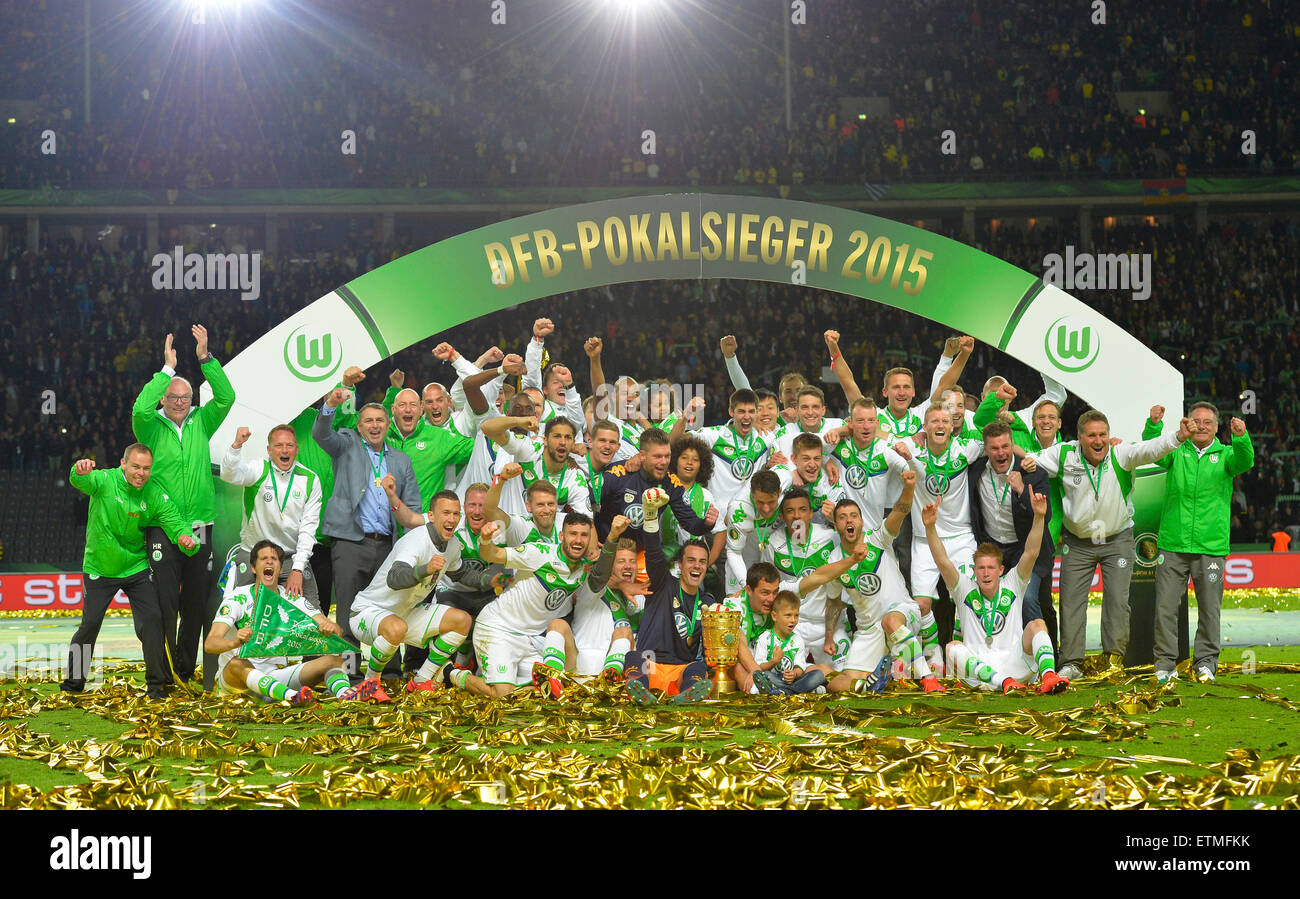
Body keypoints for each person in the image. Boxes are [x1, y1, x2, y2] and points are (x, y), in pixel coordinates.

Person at [1023, 408, 1190, 680]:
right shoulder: (1065, 453)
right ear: (1079, 438)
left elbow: (1150, 450)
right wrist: (1027, 462)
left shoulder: (1120, 453)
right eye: (1091, 436)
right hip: (1077, 543)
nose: (1098, 441)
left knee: (1117, 601)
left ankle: (1113, 659)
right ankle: (1072, 663)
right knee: (1071, 602)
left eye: (1102, 434)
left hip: (1118, 540)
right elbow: (1032, 459)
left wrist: (1178, 437)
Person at [131, 325, 235, 690]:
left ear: (192, 400)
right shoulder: (149, 426)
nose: (178, 402)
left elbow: (226, 396)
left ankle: (184, 673)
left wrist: (205, 357)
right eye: (173, 396)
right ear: (164, 398)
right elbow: (141, 405)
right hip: (162, 525)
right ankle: (159, 678)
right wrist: (167, 370)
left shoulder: (202, 422)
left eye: (185, 397)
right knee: (162, 607)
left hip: (201, 525)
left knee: (194, 606)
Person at [62, 446, 198, 699]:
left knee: (152, 621)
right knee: (90, 624)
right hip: (100, 567)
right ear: (123, 463)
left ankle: (156, 686)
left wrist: (186, 538)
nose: (141, 473)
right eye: (136, 467)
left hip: (136, 567)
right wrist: (78, 470)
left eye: (146, 468)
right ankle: (73, 684)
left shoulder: (154, 493)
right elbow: (80, 480)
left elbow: (175, 522)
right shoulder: (104, 481)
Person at [314, 387, 421, 678]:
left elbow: (412, 508)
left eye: (380, 421)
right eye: (368, 421)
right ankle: (350, 673)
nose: (375, 425)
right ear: (359, 427)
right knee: (348, 611)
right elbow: (322, 434)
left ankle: (388, 673)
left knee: (388, 607)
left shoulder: (401, 460)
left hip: (387, 545)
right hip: (350, 541)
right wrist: (330, 405)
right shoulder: (346, 445)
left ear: (388, 425)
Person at [924, 488, 1068, 694]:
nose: (985, 573)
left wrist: (1039, 517)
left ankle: (1049, 676)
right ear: (974, 571)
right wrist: (930, 528)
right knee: (951, 647)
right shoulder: (964, 588)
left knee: (1037, 624)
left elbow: (1031, 552)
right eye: (981, 568)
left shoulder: (1013, 583)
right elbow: (942, 561)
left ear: (1000, 570)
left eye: (991, 568)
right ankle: (1004, 681)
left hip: (1017, 664)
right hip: (981, 674)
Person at [346, 490, 487, 700]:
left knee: (462, 621)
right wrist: (425, 569)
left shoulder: (453, 545)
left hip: (405, 614)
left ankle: (422, 680)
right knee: (396, 627)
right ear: (431, 516)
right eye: (446, 513)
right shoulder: (415, 540)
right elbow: (394, 578)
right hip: (365, 612)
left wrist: (492, 581)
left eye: (456, 514)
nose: (451, 519)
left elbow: (461, 573)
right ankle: (370, 682)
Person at [1149, 405, 1254, 684]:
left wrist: (1241, 437)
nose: (1202, 425)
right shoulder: (1176, 451)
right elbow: (1155, 452)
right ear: (1188, 424)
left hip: (1211, 546)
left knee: (1210, 609)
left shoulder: (1227, 455)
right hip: (1173, 543)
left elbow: (1246, 462)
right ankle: (1165, 664)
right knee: (1166, 608)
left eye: (1208, 422)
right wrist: (1155, 426)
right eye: (1197, 421)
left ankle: (1206, 663)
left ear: (1217, 428)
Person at [823, 475, 945, 694]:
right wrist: (829, 635)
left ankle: (928, 678)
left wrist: (909, 487)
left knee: (890, 620)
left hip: (903, 613)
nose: (849, 521)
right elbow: (833, 601)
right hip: (868, 630)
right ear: (835, 524)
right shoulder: (834, 561)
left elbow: (900, 510)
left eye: (853, 516)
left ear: (861, 521)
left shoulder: (878, 539)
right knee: (837, 684)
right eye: (842, 517)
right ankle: (870, 684)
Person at [892, 404, 986, 670]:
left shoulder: (964, 450)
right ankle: (934, 657)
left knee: (968, 598)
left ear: (952, 426)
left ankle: (960, 653)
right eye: (934, 421)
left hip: (960, 537)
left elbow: (987, 431)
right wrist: (908, 442)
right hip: (924, 540)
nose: (940, 425)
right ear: (926, 427)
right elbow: (881, 442)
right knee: (921, 605)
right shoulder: (914, 454)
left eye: (945, 421)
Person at [203, 540, 353, 704]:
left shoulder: (291, 598)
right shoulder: (238, 597)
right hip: (237, 684)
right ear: (253, 568)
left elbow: (337, 633)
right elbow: (210, 644)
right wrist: (234, 642)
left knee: (335, 661)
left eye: (274, 559)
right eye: (263, 558)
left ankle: (347, 695)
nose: (269, 561)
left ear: (280, 569)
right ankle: (292, 697)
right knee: (237, 664)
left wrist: (329, 628)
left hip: (274, 681)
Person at [469, 513, 598, 698]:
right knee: (504, 696)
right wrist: (486, 539)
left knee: (546, 689)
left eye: (584, 535)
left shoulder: (584, 567)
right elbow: (492, 554)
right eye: (573, 534)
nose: (578, 540)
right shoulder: (539, 553)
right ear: (562, 536)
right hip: (497, 628)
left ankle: (495, 673)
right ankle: (454, 673)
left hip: (528, 638)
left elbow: (608, 575)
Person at [967, 420, 1058, 655]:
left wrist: (1020, 490)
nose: (1001, 453)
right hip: (994, 550)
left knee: (1031, 600)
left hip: (1028, 548)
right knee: (995, 602)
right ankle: (1004, 656)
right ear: (985, 450)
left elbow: (1044, 516)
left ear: (1012, 446)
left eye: (1005, 447)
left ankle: (1048, 659)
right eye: (994, 448)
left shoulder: (1033, 473)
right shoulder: (975, 470)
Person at [622, 490, 716, 705]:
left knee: (698, 668)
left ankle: (688, 695)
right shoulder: (663, 583)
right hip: (650, 664)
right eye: (691, 560)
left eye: (702, 562)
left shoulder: (708, 603)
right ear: (680, 565)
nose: (697, 566)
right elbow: (654, 552)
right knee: (633, 657)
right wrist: (650, 516)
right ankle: (640, 692)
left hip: (681, 670)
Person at [219, 425, 323, 613]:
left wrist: (298, 569)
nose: (284, 450)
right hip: (253, 555)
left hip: (290, 558)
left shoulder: (310, 479)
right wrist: (236, 446)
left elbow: (308, 530)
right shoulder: (259, 468)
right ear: (269, 450)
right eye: (279, 445)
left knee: (311, 616)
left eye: (290, 445)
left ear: (296, 449)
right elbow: (228, 474)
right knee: (242, 616)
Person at [592, 427, 716, 547]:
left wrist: (707, 523)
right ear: (642, 456)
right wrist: (591, 542)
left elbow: (691, 523)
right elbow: (583, 503)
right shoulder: (618, 473)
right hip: (607, 549)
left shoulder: (671, 483)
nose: (663, 462)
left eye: (667, 456)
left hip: (640, 554)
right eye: (657, 456)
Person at [822, 397, 910, 534]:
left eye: (871, 420)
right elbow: (802, 446)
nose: (866, 426)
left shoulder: (886, 451)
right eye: (860, 421)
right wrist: (825, 459)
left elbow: (916, 473)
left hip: (874, 533)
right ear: (850, 423)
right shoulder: (836, 444)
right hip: (841, 531)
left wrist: (910, 460)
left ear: (877, 423)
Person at [482, 414, 592, 518]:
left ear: (573, 444)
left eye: (568, 437)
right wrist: (518, 421)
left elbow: (587, 521)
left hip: (546, 534)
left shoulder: (575, 477)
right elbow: (487, 428)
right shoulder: (530, 449)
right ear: (545, 440)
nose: (562, 442)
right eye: (557, 436)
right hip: (514, 527)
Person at [685, 388, 775, 506]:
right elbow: (674, 441)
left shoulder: (766, 438)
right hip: (718, 517)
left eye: (751, 411)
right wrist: (685, 416)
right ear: (731, 412)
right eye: (741, 411)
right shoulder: (714, 436)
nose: (747, 416)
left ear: (756, 412)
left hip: (750, 515)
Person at [749, 592, 834, 696]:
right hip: (774, 678)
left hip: (794, 681)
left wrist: (794, 674)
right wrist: (773, 662)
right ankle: (798, 692)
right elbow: (759, 667)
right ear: (774, 616)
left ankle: (784, 692)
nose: (793, 620)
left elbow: (800, 667)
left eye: (796, 615)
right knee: (764, 675)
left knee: (819, 674)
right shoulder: (764, 638)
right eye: (788, 615)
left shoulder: (798, 640)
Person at [722, 470, 786, 595]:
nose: (766, 509)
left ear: (780, 492)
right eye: (760, 502)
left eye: (771, 502)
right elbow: (734, 552)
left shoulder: (786, 476)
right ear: (752, 494)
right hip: (742, 562)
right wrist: (746, 584)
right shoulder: (738, 508)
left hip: (769, 560)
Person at [524, 317, 585, 435]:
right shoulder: (543, 408)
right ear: (545, 390)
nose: (562, 387)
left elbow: (577, 422)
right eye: (556, 382)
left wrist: (570, 387)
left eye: (565, 384)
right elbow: (531, 382)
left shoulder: (576, 413)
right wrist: (537, 342)